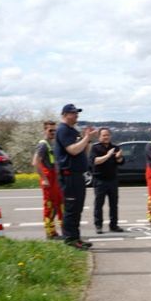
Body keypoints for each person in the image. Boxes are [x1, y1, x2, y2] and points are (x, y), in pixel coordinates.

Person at [54, 104, 98, 249]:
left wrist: (88, 139)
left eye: (77, 113)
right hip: (69, 175)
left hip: (77, 175)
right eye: (74, 113)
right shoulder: (63, 130)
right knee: (71, 208)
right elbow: (72, 150)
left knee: (77, 208)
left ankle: (76, 237)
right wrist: (85, 138)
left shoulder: (72, 131)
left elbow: (82, 151)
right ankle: (70, 239)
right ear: (65, 114)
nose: (77, 116)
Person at [32, 120, 63, 240]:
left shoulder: (52, 143)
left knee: (58, 205)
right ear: (45, 130)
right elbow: (35, 162)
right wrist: (44, 179)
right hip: (48, 178)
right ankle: (50, 232)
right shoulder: (43, 144)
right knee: (49, 206)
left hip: (55, 178)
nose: (53, 132)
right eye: (50, 130)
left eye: (55, 130)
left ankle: (57, 230)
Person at [90, 128, 125, 234]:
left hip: (113, 179)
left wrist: (119, 158)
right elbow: (95, 161)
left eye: (108, 135)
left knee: (114, 204)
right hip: (100, 180)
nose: (106, 137)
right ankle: (98, 225)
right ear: (99, 137)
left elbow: (121, 162)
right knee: (99, 204)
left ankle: (113, 225)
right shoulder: (95, 148)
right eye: (104, 135)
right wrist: (108, 155)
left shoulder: (115, 147)